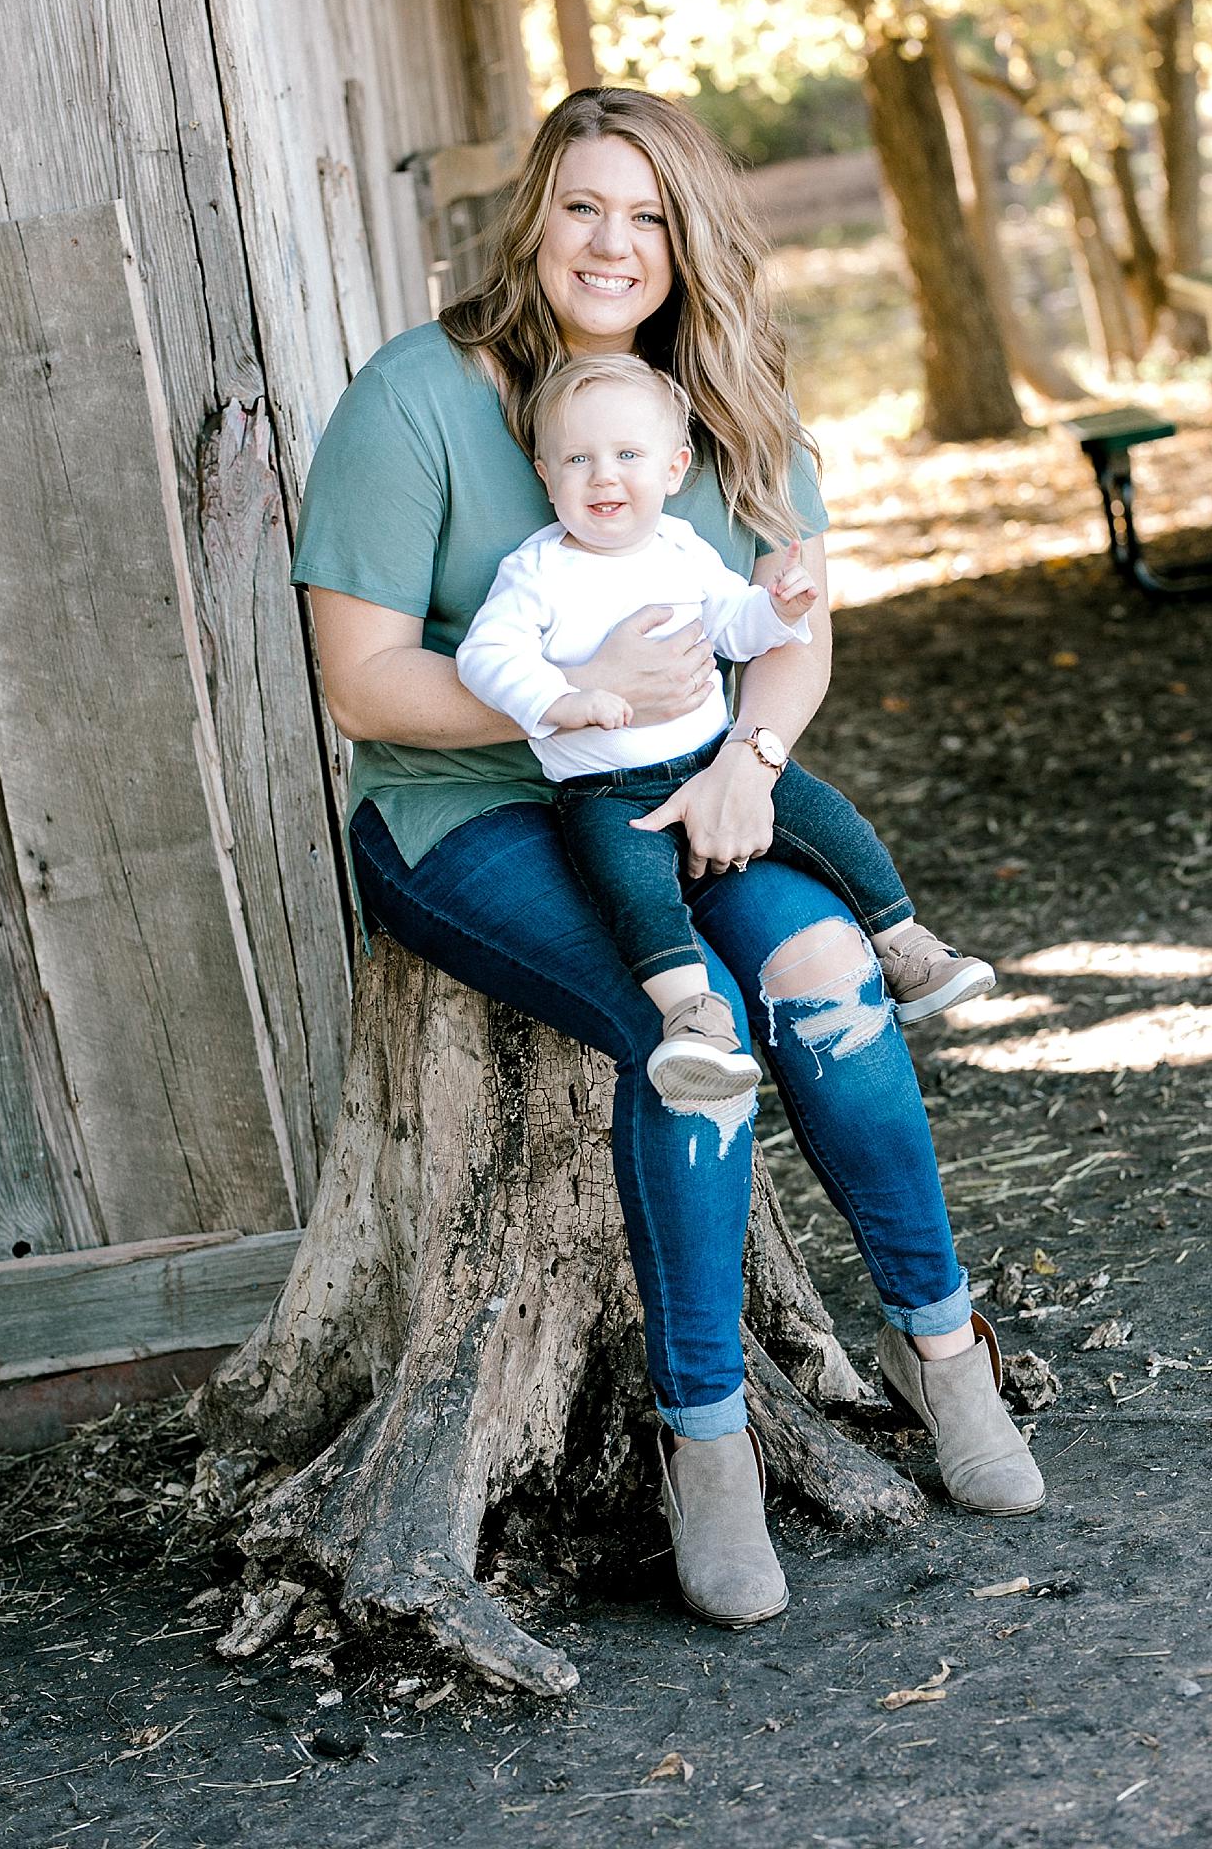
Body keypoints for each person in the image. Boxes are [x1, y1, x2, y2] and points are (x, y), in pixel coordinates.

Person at [292, 86, 1044, 1632]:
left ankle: (939, 1344)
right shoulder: (419, 397)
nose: (612, 243)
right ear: (533, 219)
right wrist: (591, 703)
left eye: (647, 214)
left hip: (692, 785)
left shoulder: (726, 396)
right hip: (469, 806)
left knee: (833, 975)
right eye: (581, 206)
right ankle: (706, 1440)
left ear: (691, 234)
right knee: (683, 1020)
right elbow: (359, 678)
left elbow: (792, 633)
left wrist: (743, 764)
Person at [455, 351, 995, 1109]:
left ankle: (904, 945)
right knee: (632, 893)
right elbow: (486, 656)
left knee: (830, 821)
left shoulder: (682, 549)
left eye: (627, 456)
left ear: (674, 468)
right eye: (577, 458)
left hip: (713, 759)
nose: (603, 476)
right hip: (609, 791)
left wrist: (776, 608)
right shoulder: (536, 571)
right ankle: (694, 1022)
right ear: (545, 474)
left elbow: (733, 627)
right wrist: (562, 696)